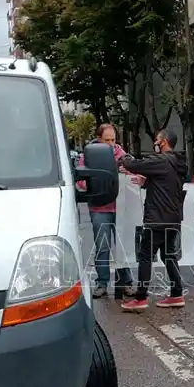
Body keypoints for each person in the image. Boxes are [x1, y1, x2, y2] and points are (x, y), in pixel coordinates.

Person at [119, 128, 189, 311]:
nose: (155, 143)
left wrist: (122, 155)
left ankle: (140, 297)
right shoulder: (176, 163)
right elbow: (167, 185)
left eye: (157, 140)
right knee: (169, 255)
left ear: (164, 141)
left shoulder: (160, 160)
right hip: (173, 218)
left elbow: (134, 165)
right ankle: (177, 294)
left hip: (157, 219)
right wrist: (147, 183)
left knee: (145, 256)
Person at [77, 123, 142, 299]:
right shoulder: (88, 156)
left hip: (120, 208)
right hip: (99, 207)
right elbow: (81, 180)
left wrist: (127, 173)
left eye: (113, 139)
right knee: (102, 245)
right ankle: (102, 283)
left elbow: (135, 176)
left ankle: (126, 282)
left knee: (123, 246)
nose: (112, 144)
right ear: (99, 139)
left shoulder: (123, 156)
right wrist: (93, 183)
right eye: (107, 140)